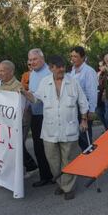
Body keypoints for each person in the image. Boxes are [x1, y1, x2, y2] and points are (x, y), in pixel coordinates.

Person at [22, 55, 89, 200]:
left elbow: (83, 102)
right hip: (50, 130)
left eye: (63, 67)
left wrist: (84, 120)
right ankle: (60, 183)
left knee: (68, 160)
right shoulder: (45, 82)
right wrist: (23, 92)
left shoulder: (73, 82)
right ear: (51, 68)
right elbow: (35, 98)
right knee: (53, 161)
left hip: (69, 128)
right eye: (58, 67)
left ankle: (68, 187)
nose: (61, 69)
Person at [27, 48, 54, 187]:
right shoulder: (32, 74)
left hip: (47, 115)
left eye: (34, 59)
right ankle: (45, 176)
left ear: (42, 58)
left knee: (50, 147)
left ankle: (55, 175)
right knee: (38, 147)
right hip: (36, 115)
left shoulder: (49, 73)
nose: (32, 62)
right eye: (30, 60)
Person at [69, 46, 98, 150]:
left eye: (75, 56)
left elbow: (92, 92)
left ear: (83, 57)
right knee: (79, 136)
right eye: (71, 56)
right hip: (74, 108)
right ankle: (86, 156)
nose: (73, 59)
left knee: (85, 136)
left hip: (84, 108)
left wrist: (91, 110)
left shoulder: (88, 71)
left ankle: (90, 158)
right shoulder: (72, 71)